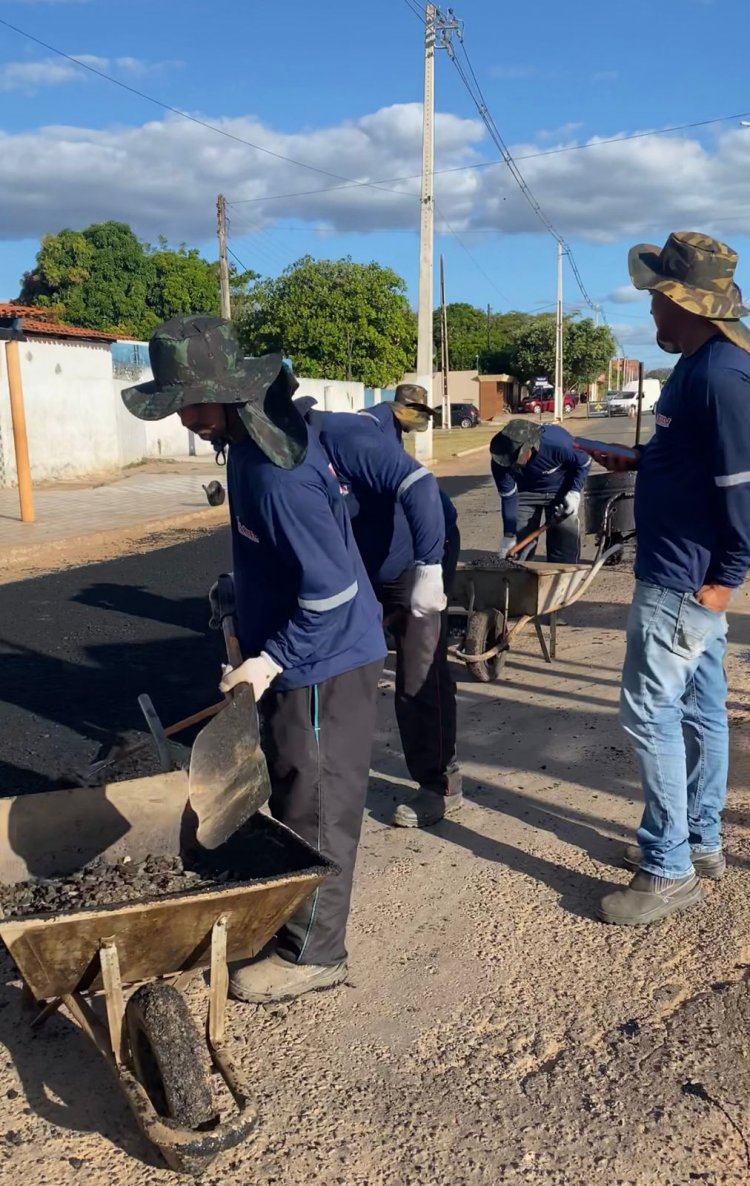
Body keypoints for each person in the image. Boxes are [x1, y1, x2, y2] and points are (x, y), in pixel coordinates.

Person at [122, 315, 386, 1001]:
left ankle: (316, 955)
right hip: (296, 653)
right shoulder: (241, 447)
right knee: (293, 793)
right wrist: (241, 592)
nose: (182, 417)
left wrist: (269, 662)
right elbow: (288, 557)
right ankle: (295, 924)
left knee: (317, 806)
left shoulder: (278, 475)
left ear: (226, 392)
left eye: (187, 401)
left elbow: (331, 594)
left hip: (326, 665)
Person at [593, 232, 750, 926]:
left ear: (683, 302)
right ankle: (700, 841)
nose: (649, 312)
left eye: (655, 298)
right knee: (697, 709)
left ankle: (668, 867)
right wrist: (638, 465)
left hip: (683, 582)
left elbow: (744, 486)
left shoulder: (720, 374)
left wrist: (728, 580)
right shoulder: (696, 365)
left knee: (651, 713)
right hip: (686, 578)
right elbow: (688, 458)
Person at [295, 384, 463, 828]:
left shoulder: (348, 436)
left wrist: (430, 569)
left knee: (420, 673)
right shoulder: (281, 457)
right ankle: (325, 775)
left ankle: (438, 783)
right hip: (358, 570)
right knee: (342, 672)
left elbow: (421, 486)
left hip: (413, 560)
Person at [489, 419, 590, 561]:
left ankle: (562, 578)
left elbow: (584, 463)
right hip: (525, 494)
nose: (512, 464)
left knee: (564, 549)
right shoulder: (500, 460)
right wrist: (509, 535)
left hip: (561, 491)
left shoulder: (559, 443)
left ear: (530, 447)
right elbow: (509, 497)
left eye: (516, 459)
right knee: (517, 554)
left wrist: (574, 492)